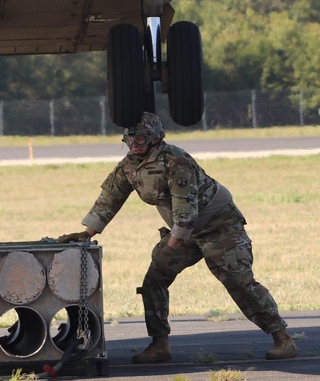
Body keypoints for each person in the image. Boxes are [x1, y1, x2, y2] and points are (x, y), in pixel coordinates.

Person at [58, 113, 297, 363]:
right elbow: (110, 199)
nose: (134, 145)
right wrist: (87, 232)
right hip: (182, 232)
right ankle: (160, 345)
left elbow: (185, 213)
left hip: (219, 228)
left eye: (140, 139)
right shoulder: (129, 165)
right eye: (130, 140)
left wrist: (170, 249)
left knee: (238, 281)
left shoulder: (176, 162)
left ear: (155, 138)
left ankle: (283, 339)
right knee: (153, 282)